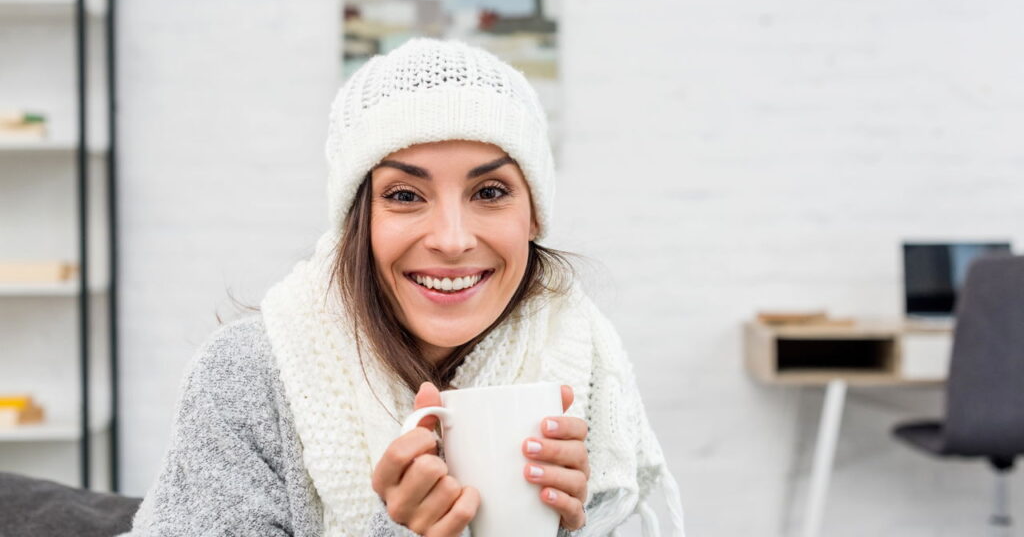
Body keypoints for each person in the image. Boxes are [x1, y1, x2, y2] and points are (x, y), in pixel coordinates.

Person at [124, 38, 685, 537]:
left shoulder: (581, 364)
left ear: (534, 216)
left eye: (490, 192)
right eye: (404, 195)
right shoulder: (245, 375)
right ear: (357, 220)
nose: (451, 239)